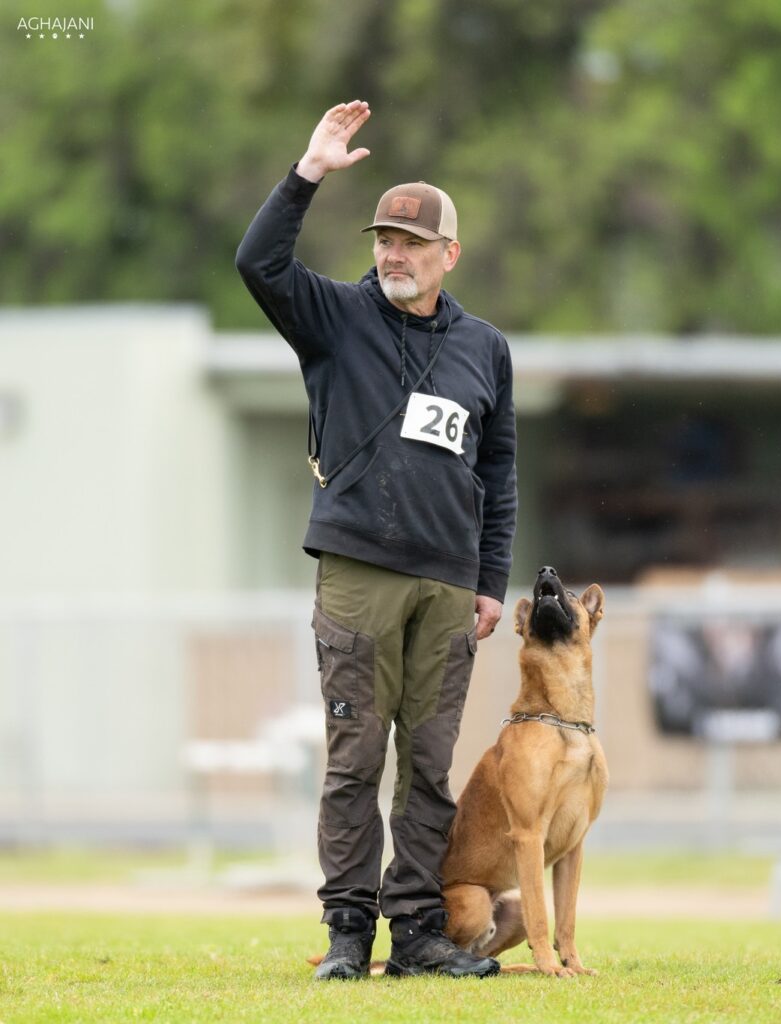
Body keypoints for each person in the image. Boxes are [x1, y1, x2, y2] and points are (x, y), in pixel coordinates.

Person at [235, 100, 517, 980]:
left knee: (429, 771)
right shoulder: (334, 319)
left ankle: (419, 934)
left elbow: (496, 471)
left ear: (447, 256)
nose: (392, 253)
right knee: (355, 761)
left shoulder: (484, 347)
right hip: (358, 574)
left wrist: (490, 579)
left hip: (446, 586)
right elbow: (258, 261)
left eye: (410, 242)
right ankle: (348, 935)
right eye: (383, 239)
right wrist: (309, 169)